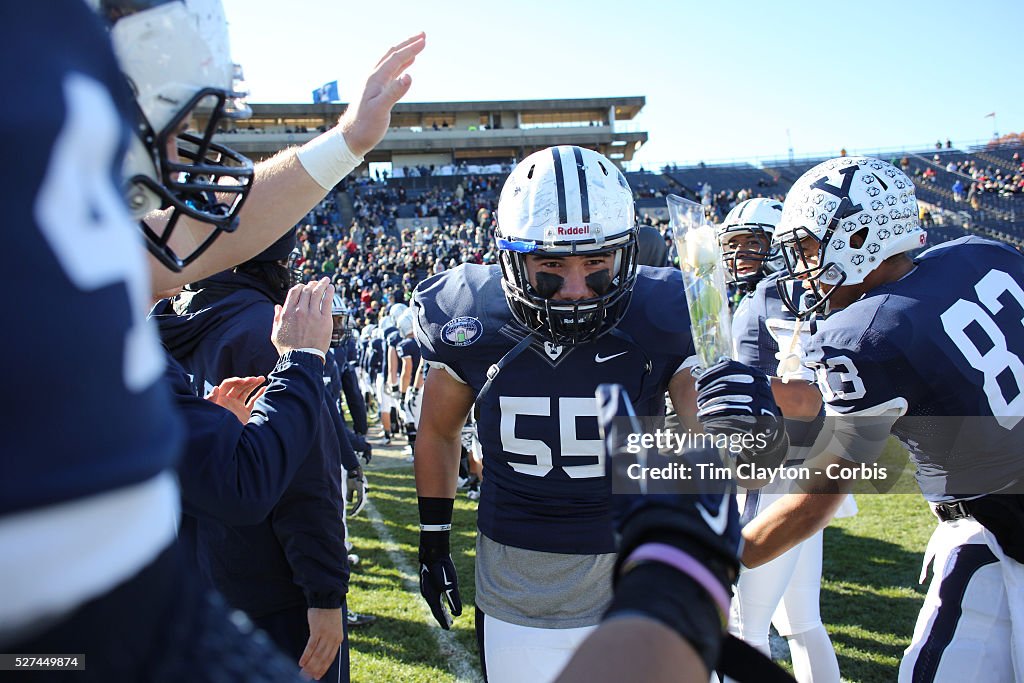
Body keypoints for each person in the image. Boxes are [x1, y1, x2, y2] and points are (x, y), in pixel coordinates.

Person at [1, 0, 423, 678]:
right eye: (163, 133)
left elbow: (204, 233)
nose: (175, 168)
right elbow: (251, 483)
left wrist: (347, 141)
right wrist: (304, 361)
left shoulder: (63, 256)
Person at [412, 145, 753, 682]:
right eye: (550, 265)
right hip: (517, 582)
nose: (575, 289)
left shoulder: (670, 309)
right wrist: (433, 538)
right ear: (510, 256)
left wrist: (729, 410)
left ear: (626, 253)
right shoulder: (468, 314)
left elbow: (708, 437)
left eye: (596, 264)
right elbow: (437, 431)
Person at [731, 155, 1024, 681]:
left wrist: (722, 557)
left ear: (860, 235)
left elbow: (815, 501)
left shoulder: (864, 332)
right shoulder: (982, 253)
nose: (800, 267)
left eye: (806, 248)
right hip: (992, 525)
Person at [158, 231, 354, 682]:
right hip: (275, 590)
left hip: (199, 580)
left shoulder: (159, 326)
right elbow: (305, 482)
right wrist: (324, 594)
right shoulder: (267, 332)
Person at [718, 198, 844, 682]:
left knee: (745, 628)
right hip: (812, 468)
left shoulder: (763, 302)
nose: (742, 255)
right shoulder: (817, 294)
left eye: (755, 244)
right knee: (802, 623)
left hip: (767, 473)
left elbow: (772, 400)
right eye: (735, 246)